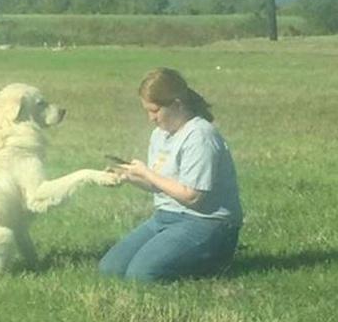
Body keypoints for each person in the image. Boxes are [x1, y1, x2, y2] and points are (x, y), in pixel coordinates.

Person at [99, 67, 243, 282]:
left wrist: (146, 172)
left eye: (155, 111)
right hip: (165, 217)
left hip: (207, 223)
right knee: (110, 269)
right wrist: (129, 176)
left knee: (142, 275)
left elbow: (192, 196)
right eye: (147, 111)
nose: (151, 118)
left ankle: (212, 262)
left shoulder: (200, 136)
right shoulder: (160, 134)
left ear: (176, 105)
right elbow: (160, 185)